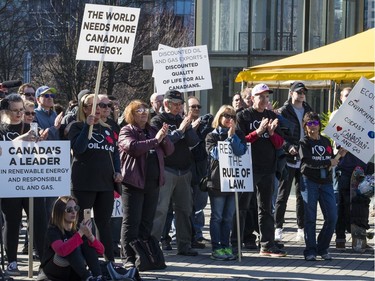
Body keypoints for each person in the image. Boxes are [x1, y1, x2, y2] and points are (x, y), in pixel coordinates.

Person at [118, 99, 174, 268]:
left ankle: (143, 256)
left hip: (153, 183)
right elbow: (133, 148)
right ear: (131, 114)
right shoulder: (126, 130)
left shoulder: (152, 130)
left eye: (145, 110)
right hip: (133, 183)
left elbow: (169, 151)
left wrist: (163, 138)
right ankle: (128, 257)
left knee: (146, 222)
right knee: (131, 222)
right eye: (138, 111)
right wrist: (155, 140)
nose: (143, 113)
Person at [68, 93, 123, 262]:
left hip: (105, 183)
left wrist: (118, 171)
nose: (97, 109)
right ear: (84, 109)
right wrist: (87, 126)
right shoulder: (76, 126)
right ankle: (83, 258)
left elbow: (113, 153)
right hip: (84, 183)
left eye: (99, 105)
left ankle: (109, 260)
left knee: (103, 223)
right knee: (81, 224)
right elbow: (79, 149)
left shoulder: (109, 128)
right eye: (91, 106)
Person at [236, 83, 286, 257]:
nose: (265, 100)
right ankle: (236, 243)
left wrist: (271, 133)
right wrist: (258, 131)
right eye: (261, 96)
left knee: (266, 209)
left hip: (268, 168)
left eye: (267, 97)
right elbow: (240, 142)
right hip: (248, 168)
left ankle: (267, 244)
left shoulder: (272, 115)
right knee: (242, 207)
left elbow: (280, 144)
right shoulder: (243, 116)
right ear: (252, 99)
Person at [0, 94, 47, 275]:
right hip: (9, 182)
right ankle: (12, 261)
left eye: (23, 110)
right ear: (5, 111)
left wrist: (42, 142)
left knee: (39, 221)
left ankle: (44, 261)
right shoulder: (2, 128)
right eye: (16, 110)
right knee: (12, 222)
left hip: (31, 181)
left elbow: (43, 154)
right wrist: (19, 141)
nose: (20, 114)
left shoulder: (31, 127)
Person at [150, 90, 200, 256]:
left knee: (184, 209)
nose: (179, 107)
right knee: (161, 210)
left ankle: (184, 244)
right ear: (166, 104)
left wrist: (188, 127)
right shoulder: (158, 120)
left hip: (184, 171)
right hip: (167, 170)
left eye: (180, 104)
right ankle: (153, 245)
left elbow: (193, 142)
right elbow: (164, 141)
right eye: (176, 104)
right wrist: (180, 130)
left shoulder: (182, 119)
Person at [205, 105, 247, 260]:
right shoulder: (211, 136)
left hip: (233, 182)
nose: (230, 119)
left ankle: (225, 245)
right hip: (217, 182)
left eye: (233, 117)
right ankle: (216, 248)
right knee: (217, 216)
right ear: (219, 117)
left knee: (228, 217)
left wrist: (233, 136)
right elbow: (216, 154)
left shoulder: (239, 134)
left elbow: (240, 151)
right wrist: (228, 138)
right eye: (226, 116)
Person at [299, 112, 341, 261]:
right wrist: (328, 162)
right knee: (310, 218)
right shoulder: (303, 143)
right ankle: (310, 250)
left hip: (326, 183)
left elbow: (330, 160)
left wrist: (338, 156)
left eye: (315, 123)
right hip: (309, 182)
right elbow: (308, 163)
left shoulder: (325, 141)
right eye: (310, 123)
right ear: (305, 126)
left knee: (332, 217)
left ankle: (322, 247)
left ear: (319, 125)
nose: (313, 126)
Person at [274, 81, 313, 242]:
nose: (302, 94)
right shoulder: (283, 111)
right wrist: (288, 146)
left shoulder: (308, 110)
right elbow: (279, 135)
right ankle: (278, 228)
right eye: (298, 91)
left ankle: (301, 228)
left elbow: (313, 131)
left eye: (304, 91)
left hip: (304, 158)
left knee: (302, 195)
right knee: (283, 194)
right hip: (289, 158)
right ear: (291, 93)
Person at [40, 196, 104, 281]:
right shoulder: (53, 230)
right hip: (53, 274)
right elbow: (61, 250)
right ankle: (87, 277)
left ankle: (98, 277)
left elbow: (101, 251)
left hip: (72, 273)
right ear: (60, 212)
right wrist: (80, 233)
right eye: (69, 210)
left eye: (76, 208)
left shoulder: (78, 229)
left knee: (87, 245)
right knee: (71, 246)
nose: (74, 212)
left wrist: (90, 236)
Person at [186, 96, 213, 246]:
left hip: (201, 170)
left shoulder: (204, 125)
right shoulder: (182, 123)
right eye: (193, 107)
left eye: (198, 107)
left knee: (200, 204)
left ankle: (198, 233)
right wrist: (191, 128)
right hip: (185, 169)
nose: (196, 109)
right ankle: (182, 234)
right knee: (185, 205)